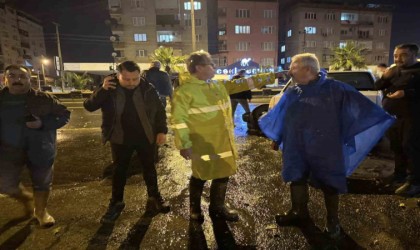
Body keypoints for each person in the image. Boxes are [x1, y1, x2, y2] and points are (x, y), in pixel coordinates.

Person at [259, 53, 394, 239]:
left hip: (326, 147)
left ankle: (333, 222)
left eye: (293, 67)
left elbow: (360, 109)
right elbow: (284, 117)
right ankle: (299, 212)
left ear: (307, 69)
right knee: (296, 177)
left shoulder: (336, 89)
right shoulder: (293, 91)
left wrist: (381, 118)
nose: (289, 71)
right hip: (296, 145)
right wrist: (278, 137)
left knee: (329, 181)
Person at [171, 51, 275, 224]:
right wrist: (183, 144)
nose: (214, 67)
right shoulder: (185, 92)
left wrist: (271, 76)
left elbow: (243, 83)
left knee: (223, 173)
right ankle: (194, 209)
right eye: (211, 64)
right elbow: (178, 121)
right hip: (202, 144)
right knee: (200, 176)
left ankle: (217, 208)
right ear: (199, 67)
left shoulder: (217, 85)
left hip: (223, 142)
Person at [84, 61, 170, 224]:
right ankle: (116, 203)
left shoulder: (148, 88)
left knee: (149, 168)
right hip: (120, 138)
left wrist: (161, 130)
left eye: (135, 79)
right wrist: (102, 90)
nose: (131, 83)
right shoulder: (109, 89)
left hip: (145, 136)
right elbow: (89, 106)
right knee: (119, 171)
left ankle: (154, 198)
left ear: (140, 76)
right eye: (127, 79)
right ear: (118, 76)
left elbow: (159, 111)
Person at [0, 64, 70, 227]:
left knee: (42, 183)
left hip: (40, 149)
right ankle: (28, 198)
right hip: (7, 151)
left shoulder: (43, 98)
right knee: (5, 185)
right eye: (13, 76)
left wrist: (42, 124)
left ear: (29, 80)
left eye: (22, 77)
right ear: (5, 79)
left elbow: (64, 115)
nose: (18, 80)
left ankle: (40, 212)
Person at [375, 43, 420, 196]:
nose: (398, 59)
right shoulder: (394, 70)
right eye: (395, 55)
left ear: (414, 55)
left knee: (410, 148)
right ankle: (399, 176)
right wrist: (384, 76)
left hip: (412, 118)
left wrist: (406, 93)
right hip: (393, 117)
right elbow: (378, 86)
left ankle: (415, 182)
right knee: (396, 147)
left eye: (403, 55)